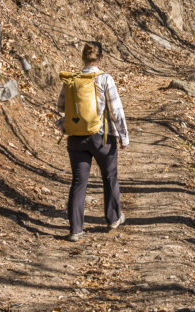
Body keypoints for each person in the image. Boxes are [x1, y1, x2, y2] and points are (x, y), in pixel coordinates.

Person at [57, 40, 128, 240]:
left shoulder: (71, 79)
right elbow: (116, 110)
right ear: (100, 58)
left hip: (76, 138)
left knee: (79, 182)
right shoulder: (105, 79)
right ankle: (113, 217)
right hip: (102, 137)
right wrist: (123, 135)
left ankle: (75, 230)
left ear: (83, 57)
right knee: (109, 177)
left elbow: (62, 107)